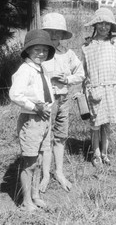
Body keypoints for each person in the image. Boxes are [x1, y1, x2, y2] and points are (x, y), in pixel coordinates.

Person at [9, 29, 55, 211]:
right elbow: (15, 94)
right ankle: (26, 201)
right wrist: (35, 107)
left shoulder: (41, 69)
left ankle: (35, 195)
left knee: (40, 157)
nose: (41, 53)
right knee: (29, 161)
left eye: (44, 50)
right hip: (32, 119)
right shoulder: (24, 70)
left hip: (44, 119)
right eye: (37, 49)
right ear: (28, 50)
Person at [40, 12, 85, 192]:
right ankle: (44, 175)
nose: (54, 35)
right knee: (45, 137)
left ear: (62, 34)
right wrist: (50, 78)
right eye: (50, 31)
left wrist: (67, 79)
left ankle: (59, 172)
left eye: (58, 32)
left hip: (64, 99)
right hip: (46, 100)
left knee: (60, 136)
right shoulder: (40, 53)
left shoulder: (68, 53)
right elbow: (33, 75)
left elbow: (80, 74)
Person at [81, 8, 116, 166]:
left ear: (111, 26)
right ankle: (96, 154)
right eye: (100, 23)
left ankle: (105, 152)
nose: (103, 27)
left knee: (107, 123)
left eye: (107, 24)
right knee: (95, 123)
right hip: (95, 88)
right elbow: (84, 70)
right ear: (95, 25)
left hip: (112, 87)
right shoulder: (87, 45)